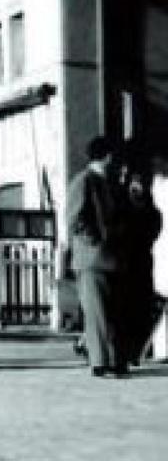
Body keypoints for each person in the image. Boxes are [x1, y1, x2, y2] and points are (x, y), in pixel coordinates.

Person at [67, 136, 128, 378]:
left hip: (113, 259)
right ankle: (99, 361)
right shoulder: (83, 182)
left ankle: (113, 358)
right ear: (107, 156)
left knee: (112, 312)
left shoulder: (111, 183)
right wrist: (95, 240)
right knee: (97, 313)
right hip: (93, 259)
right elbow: (75, 218)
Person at [119, 144, 162, 365]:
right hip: (126, 260)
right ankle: (125, 352)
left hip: (141, 260)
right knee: (126, 308)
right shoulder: (122, 200)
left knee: (141, 308)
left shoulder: (148, 203)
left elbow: (156, 223)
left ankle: (134, 351)